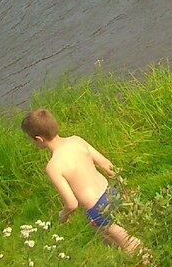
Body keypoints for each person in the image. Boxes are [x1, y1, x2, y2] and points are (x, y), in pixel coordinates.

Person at [22, 108, 146, 258]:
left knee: (129, 244)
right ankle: (125, 258)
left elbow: (72, 203)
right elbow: (106, 164)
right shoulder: (76, 140)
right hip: (111, 192)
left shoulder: (53, 166)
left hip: (97, 209)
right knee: (109, 238)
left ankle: (151, 260)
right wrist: (123, 189)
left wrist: (62, 215)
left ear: (39, 139)